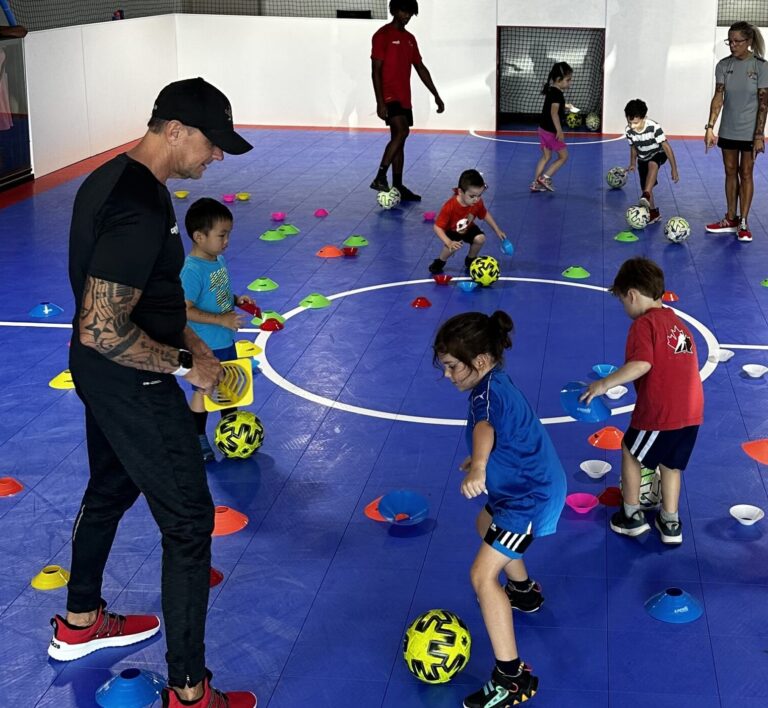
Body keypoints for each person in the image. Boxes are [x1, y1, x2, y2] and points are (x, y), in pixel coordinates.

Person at [52, 77, 256, 708]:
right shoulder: (140, 207)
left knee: (111, 487)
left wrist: (194, 345)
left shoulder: (118, 181)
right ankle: (191, 693)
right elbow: (102, 326)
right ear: (174, 129)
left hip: (107, 374)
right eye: (212, 142)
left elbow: (151, 298)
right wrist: (179, 363)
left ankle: (80, 624)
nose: (217, 156)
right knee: (191, 523)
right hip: (130, 379)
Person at [433, 311, 566, 708]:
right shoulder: (495, 382)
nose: (447, 376)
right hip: (522, 487)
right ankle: (523, 593)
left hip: (528, 497)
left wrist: (478, 465)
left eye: (453, 367)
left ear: (482, 360)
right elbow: (505, 433)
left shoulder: (486, 394)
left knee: (481, 575)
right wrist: (485, 462)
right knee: (484, 522)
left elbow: (485, 429)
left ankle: (512, 678)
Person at [581, 257, 703, 545]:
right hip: (692, 412)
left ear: (632, 294)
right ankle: (670, 522)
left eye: (623, 301)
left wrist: (603, 384)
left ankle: (631, 515)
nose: (625, 308)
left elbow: (642, 364)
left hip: (661, 412)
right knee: (671, 465)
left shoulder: (644, 324)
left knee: (630, 451)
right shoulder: (677, 323)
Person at [181, 197, 255, 462]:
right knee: (205, 390)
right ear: (199, 236)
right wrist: (222, 320)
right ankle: (197, 437)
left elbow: (216, 292)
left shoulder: (217, 260)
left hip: (224, 340)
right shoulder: (191, 270)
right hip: (204, 344)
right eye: (222, 235)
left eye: (228, 235)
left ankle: (230, 431)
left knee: (229, 386)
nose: (226, 241)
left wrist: (236, 300)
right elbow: (185, 309)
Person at [370, 0, 444, 201]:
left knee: (400, 140)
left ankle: (398, 185)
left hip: (404, 97)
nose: (407, 16)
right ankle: (380, 176)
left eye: (410, 13)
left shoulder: (410, 39)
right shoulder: (382, 35)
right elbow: (375, 71)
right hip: (389, 95)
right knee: (403, 131)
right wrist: (380, 102)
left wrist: (436, 94)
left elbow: (420, 67)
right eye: (404, 11)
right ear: (394, 10)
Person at [705, 21, 768, 243]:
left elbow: (763, 103)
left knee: (746, 173)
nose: (732, 45)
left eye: (737, 41)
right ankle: (730, 218)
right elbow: (718, 97)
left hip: (750, 133)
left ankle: (744, 221)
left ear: (748, 41)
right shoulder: (723, 65)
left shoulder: (761, 66)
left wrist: (759, 135)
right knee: (730, 171)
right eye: (729, 41)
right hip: (728, 129)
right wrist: (710, 127)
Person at [428, 169, 506, 275]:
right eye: (472, 196)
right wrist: (448, 242)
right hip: (452, 230)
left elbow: (485, 214)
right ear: (460, 192)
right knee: (452, 247)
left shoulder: (477, 202)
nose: (476, 199)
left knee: (480, 239)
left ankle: (470, 260)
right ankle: (440, 261)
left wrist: (497, 230)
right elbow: (437, 227)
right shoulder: (450, 206)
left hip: (468, 227)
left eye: (479, 195)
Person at [624, 98, 679, 225]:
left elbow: (666, 147)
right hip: (643, 157)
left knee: (652, 164)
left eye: (636, 123)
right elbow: (633, 147)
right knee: (646, 184)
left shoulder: (654, 127)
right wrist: (632, 163)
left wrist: (674, 168)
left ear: (644, 117)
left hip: (658, 153)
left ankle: (646, 195)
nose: (632, 126)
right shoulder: (629, 131)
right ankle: (653, 213)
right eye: (630, 122)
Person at [530, 62, 573, 192]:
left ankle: (535, 184)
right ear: (559, 79)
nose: (569, 83)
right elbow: (554, 113)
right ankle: (545, 178)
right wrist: (559, 130)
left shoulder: (551, 90)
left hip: (542, 129)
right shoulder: (557, 94)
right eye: (568, 80)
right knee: (564, 157)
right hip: (551, 132)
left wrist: (566, 105)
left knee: (546, 157)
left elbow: (553, 105)